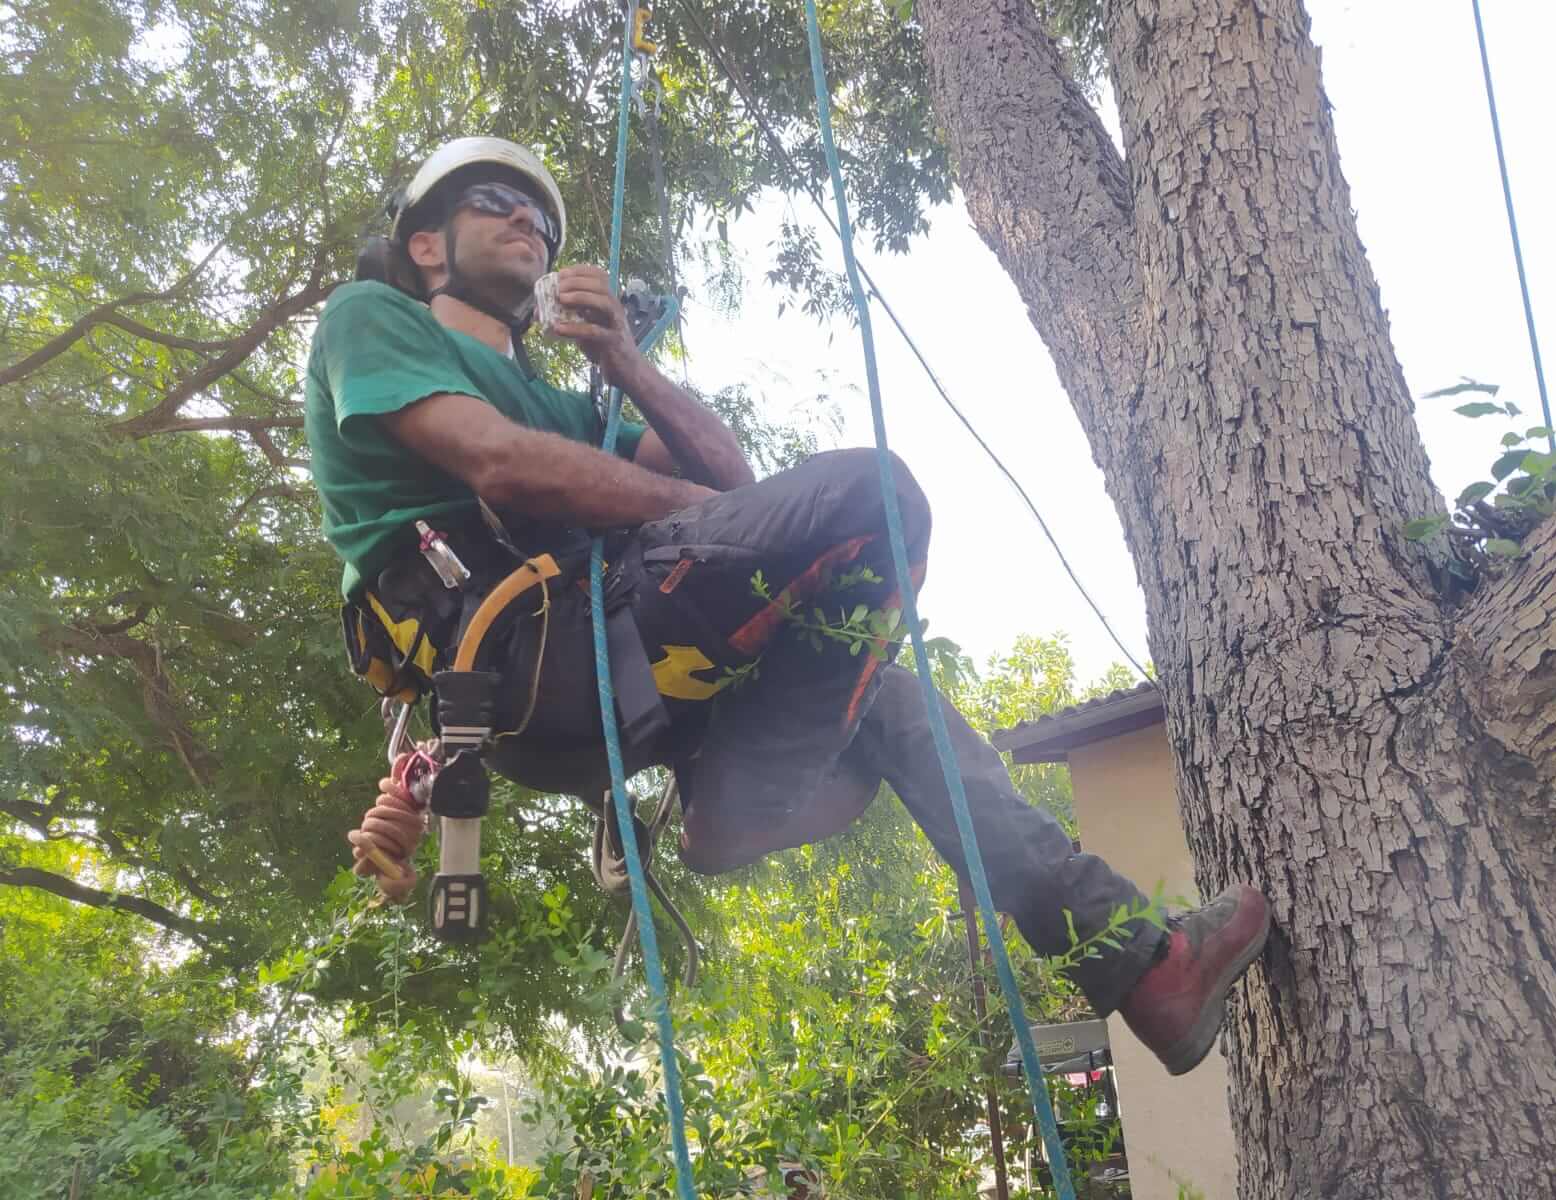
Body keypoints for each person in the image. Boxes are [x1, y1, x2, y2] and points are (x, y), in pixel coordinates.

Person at [304, 137, 1269, 1076]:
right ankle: (732, 795)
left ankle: (1146, 969)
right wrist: (692, 510)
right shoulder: (371, 318)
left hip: (609, 673)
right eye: (495, 203)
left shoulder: (569, 411)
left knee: (895, 705)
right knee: (872, 496)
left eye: (542, 222)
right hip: (532, 668)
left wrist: (625, 362)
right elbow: (497, 461)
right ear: (426, 244)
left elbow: (734, 482)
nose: (527, 222)